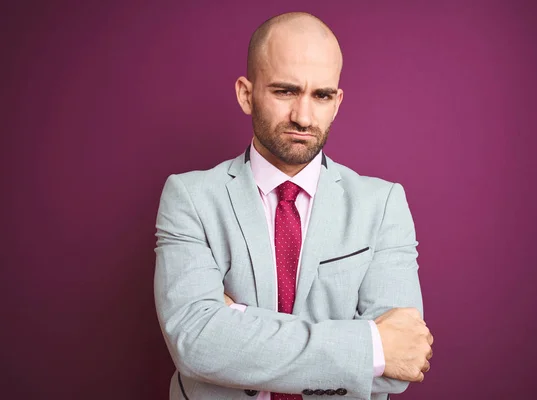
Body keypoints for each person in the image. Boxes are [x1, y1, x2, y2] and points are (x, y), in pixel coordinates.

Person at [154, 11, 433, 400]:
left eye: (321, 95)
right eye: (285, 91)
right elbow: (195, 343)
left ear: (336, 103)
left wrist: (236, 322)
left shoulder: (383, 205)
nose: (303, 116)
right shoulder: (189, 198)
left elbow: (400, 362)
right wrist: (369, 347)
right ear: (246, 94)